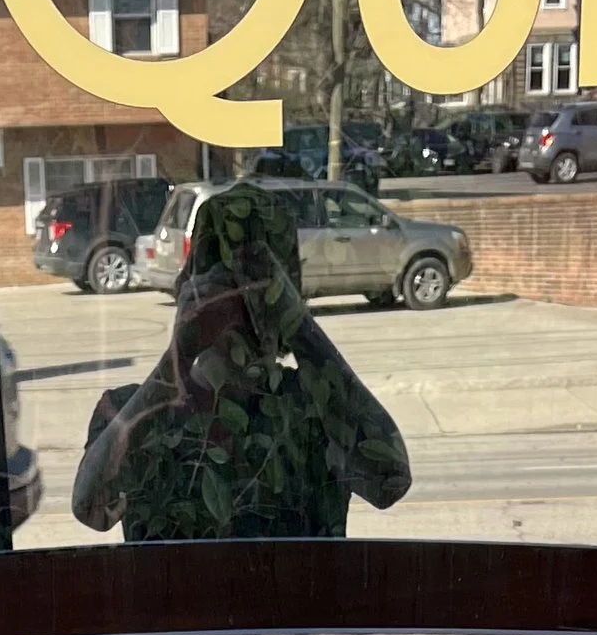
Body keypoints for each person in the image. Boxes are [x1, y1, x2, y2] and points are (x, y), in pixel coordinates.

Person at [70, 180, 411, 543]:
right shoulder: (135, 410)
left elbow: (390, 480)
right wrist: (179, 357)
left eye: (255, 298)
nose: (238, 311)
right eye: (221, 290)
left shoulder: (312, 408)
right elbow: (91, 507)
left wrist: (293, 322)